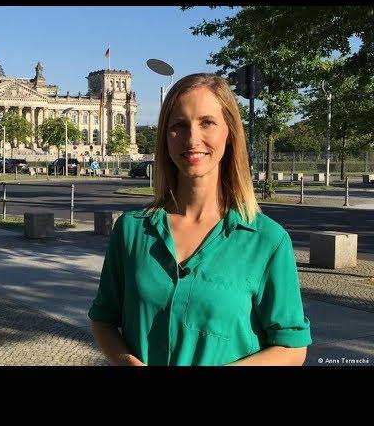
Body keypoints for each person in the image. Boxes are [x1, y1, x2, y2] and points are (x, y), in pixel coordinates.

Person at [88, 73, 311, 366]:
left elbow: (292, 348)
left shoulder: (267, 239)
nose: (192, 139)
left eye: (207, 122)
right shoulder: (132, 230)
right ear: (165, 137)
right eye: (178, 125)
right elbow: (103, 320)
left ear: (229, 133)